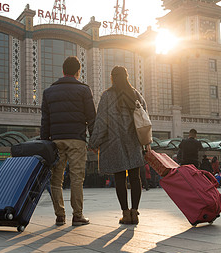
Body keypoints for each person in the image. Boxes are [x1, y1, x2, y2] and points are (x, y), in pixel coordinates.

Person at [89, 65, 150, 225]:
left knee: (120, 178)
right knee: (136, 178)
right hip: (134, 142)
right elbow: (145, 119)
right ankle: (135, 212)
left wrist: (94, 141)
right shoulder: (136, 94)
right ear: (127, 77)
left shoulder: (107, 96)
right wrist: (147, 141)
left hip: (114, 143)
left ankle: (125, 213)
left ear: (112, 77)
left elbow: (101, 122)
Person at [40, 56, 96, 226]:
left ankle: (60, 215)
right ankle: (77, 215)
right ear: (78, 72)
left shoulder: (48, 92)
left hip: (56, 141)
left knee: (56, 179)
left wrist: (45, 142)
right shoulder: (84, 90)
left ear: (63, 71)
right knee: (77, 177)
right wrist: (93, 140)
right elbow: (92, 117)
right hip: (77, 140)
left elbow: (45, 120)